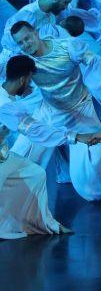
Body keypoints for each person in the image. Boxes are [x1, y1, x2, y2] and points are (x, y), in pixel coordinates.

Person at [8, 21, 101, 206]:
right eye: (21, 42)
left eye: (28, 38)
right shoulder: (23, 60)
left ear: (36, 33)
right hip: (50, 112)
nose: (26, 44)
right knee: (18, 155)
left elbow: (93, 62)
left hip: (80, 111)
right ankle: (10, 204)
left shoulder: (67, 46)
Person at [0, 55, 72, 239]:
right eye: (30, 80)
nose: (30, 85)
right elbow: (34, 130)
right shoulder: (6, 105)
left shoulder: (8, 97)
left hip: (3, 156)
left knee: (35, 173)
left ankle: (42, 223)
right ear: (24, 78)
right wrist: (73, 136)